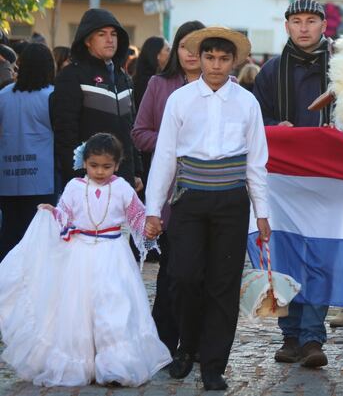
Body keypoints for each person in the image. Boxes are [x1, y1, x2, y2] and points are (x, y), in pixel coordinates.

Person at [144, 27, 271, 390]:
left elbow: (256, 162)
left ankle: (214, 364)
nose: (216, 65)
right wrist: (153, 209)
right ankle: (187, 345)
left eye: (223, 58)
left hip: (232, 202)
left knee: (223, 284)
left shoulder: (247, 103)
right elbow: (165, 157)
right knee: (183, 276)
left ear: (234, 62)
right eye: (210, 57)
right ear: (199, 59)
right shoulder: (180, 100)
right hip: (189, 200)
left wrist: (263, 213)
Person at [0, 133, 170, 386]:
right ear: (85, 162)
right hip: (80, 255)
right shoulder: (75, 187)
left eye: (106, 166)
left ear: (117, 164)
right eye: (94, 166)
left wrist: (148, 225)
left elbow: (136, 215)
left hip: (113, 255)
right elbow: (65, 214)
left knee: (113, 306)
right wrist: (52, 213)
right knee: (78, 307)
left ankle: (115, 365)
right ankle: (81, 363)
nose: (100, 171)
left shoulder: (122, 187)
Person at [254, 0, 336, 362]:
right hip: (283, 178)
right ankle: (289, 335)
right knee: (284, 255)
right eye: (297, 21)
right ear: (286, 26)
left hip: (327, 176)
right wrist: (275, 128)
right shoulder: (270, 71)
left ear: (323, 25)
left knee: (320, 254)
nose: (304, 27)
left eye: (311, 21)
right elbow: (255, 121)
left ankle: (312, 337)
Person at [131, 20, 206, 358]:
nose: (191, 53)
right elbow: (139, 132)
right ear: (175, 50)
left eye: (197, 46)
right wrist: (170, 146)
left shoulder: (223, 86)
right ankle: (163, 342)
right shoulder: (159, 85)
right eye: (184, 46)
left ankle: (198, 343)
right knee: (174, 272)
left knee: (205, 275)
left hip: (213, 193)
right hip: (172, 195)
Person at [52, 8, 142, 190]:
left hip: (123, 179)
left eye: (114, 34)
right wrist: (77, 179)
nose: (110, 39)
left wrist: (137, 171)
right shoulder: (72, 75)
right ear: (87, 40)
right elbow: (65, 134)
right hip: (88, 181)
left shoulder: (123, 78)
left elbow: (131, 128)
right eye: (102, 34)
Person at [0, 43, 57, 260]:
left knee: (9, 234)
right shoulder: (52, 96)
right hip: (42, 177)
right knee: (39, 237)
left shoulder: (3, 95)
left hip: (8, 176)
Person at [132, 36, 170, 108]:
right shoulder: (151, 83)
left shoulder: (138, 79)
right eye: (168, 50)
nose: (171, 53)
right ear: (157, 54)